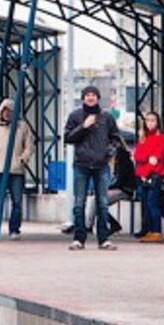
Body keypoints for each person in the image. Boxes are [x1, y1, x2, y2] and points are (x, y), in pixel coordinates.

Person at [62, 85, 122, 250]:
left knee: (102, 203)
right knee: (79, 203)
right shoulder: (75, 116)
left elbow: (116, 137)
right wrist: (84, 126)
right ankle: (79, 238)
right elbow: (67, 137)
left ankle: (103, 238)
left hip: (101, 165)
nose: (90, 98)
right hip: (81, 164)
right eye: (87, 95)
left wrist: (109, 152)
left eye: (93, 95)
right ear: (83, 98)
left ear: (98, 98)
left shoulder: (106, 117)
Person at [0, 99, 34, 239]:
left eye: (10, 111)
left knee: (17, 201)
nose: (7, 114)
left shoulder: (22, 127)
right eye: (5, 111)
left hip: (16, 169)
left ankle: (14, 229)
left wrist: (23, 159)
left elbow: (29, 145)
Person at [132, 111, 164, 243]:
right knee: (145, 204)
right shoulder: (143, 137)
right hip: (142, 173)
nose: (150, 123)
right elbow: (137, 156)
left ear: (158, 122)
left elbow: (156, 158)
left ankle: (156, 231)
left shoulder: (162, 138)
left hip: (154, 174)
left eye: (153, 120)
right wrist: (147, 159)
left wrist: (146, 169)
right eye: (147, 120)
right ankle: (149, 230)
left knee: (152, 203)